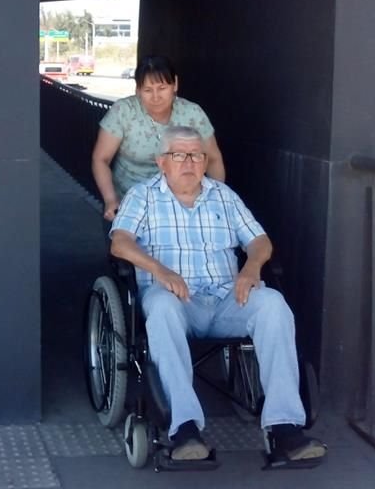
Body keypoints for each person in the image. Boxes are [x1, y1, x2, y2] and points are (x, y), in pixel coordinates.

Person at [109, 126, 326, 463]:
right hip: (176, 299)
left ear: (206, 160)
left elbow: (259, 241)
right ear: (161, 161)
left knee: (273, 305)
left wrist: (252, 267)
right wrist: (159, 270)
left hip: (228, 299)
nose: (189, 163)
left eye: (197, 155)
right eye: (179, 155)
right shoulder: (143, 196)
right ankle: (184, 430)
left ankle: (285, 428)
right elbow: (120, 242)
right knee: (161, 307)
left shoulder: (223, 196)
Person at [92, 55, 225, 223]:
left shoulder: (193, 114)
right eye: (147, 90)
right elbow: (100, 159)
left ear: (175, 84)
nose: (156, 97)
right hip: (130, 204)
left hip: (183, 205)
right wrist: (111, 200)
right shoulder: (123, 111)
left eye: (162, 88)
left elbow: (213, 159)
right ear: (138, 90)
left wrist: (217, 198)